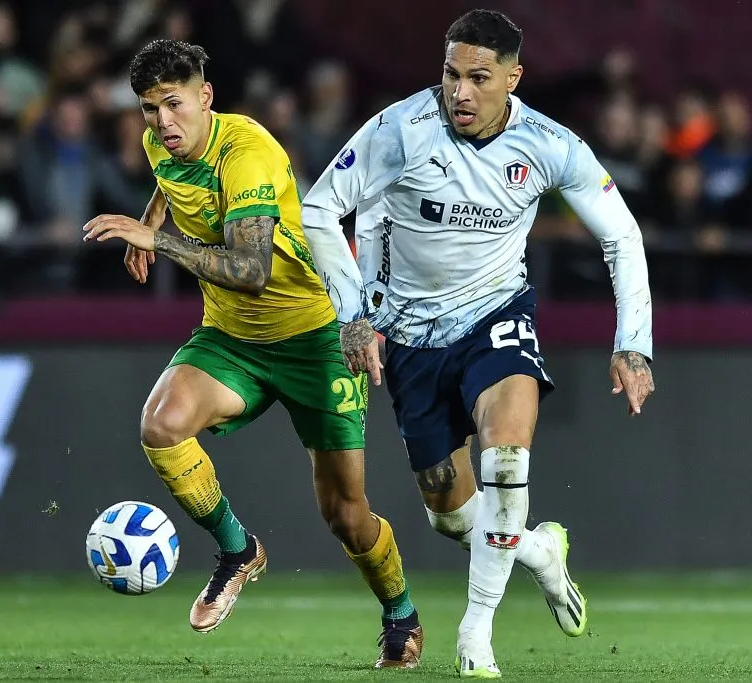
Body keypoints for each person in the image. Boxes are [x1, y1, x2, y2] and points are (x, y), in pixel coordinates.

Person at [299, 10, 655, 679]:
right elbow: (319, 209)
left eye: (479, 78)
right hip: (409, 336)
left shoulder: (550, 144)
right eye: (451, 74)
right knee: (454, 515)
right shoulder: (400, 130)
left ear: (513, 79)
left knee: (508, 458)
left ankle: (476, 635)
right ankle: (539, 551)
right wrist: (353, 313)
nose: (460, 91)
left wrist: (633, 341)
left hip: (496, 316)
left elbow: (622, 234)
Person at [81, 39, 424, 669]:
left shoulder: (249, 152)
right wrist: (150, 221)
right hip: (231, 337)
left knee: (346, 515)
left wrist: (154, 236)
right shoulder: (162, 141)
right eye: (149, 109)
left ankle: (400, 612)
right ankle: (239, 552)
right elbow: (169, 181)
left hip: (313, 337)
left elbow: (249, 268)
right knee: (161, 425)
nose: (161, 122)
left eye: (174, 105)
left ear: (206, 97)